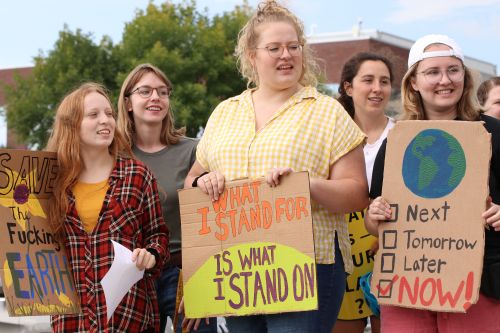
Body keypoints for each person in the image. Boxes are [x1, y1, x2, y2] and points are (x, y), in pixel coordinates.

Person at [184, 1, 368, 332]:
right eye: (274, 48)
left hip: (306, 269)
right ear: (252, 56)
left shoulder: (326, 111)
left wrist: (306, 184)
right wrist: (203, 183)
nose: (286, 55)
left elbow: (357, 194)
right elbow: (192, 181)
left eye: (293, 46)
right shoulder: (225, 112)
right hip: (237, 270)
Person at [365, 34, 500, 332]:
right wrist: (374, 215)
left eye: (453, 70)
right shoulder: (398, 140)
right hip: (408, 285)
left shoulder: (493, 133)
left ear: (464, 77)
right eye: (432, 72)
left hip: (480, 286)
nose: (445, 80)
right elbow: (374, 221)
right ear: (414, 81)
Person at [46, 82, 169, 333]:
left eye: (109, 114)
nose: (106, 120)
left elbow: (159, 235)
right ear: (72, 125)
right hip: (72, 320)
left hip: (129, 317)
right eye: (93, 115)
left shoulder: (137, 175)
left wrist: (151, 255)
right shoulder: (50, 184)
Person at [117, 63, 217, 333]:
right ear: (128, 102)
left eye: (162, 92)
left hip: (187, 271)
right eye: (145, 91)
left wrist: (202, 277)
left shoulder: (193, 150)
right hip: (133, 275)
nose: (155, 98)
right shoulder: (113, 157)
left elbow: (211, 217)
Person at [333, 52, 395, 333]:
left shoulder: (405, 136)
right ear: (348, 87)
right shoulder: (330, 137)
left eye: (384, 81)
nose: (377, 88)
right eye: (368, 80)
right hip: (343, 256)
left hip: (391, 252)